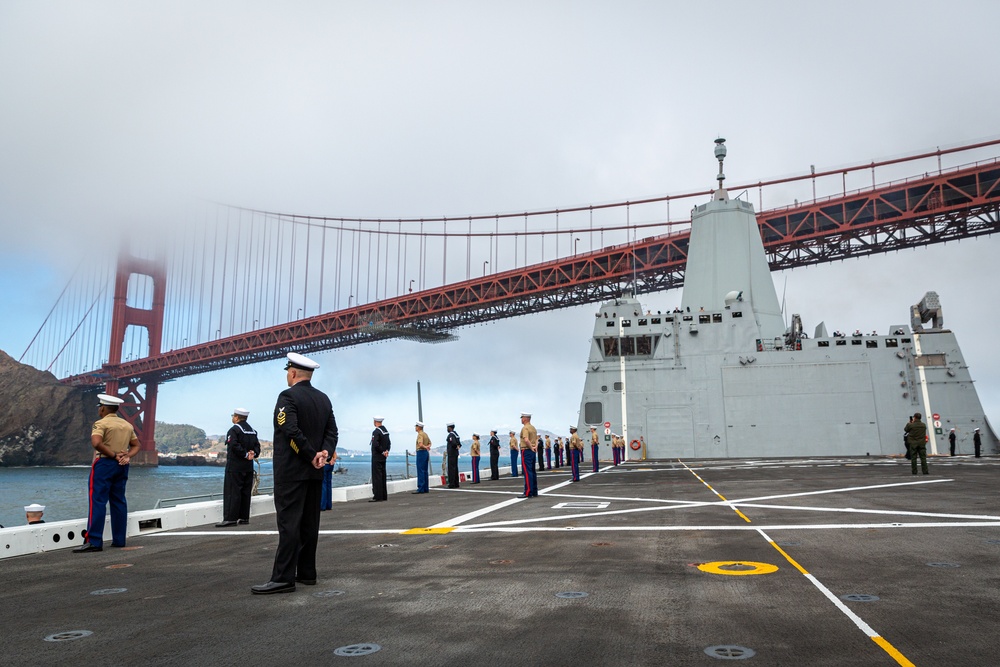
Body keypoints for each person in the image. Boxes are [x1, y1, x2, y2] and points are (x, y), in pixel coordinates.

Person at [252, 352, 338, 595]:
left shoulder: (287, 396)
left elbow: (289, 429)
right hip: (315, 472)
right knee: (310, 523)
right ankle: (307, 572)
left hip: (292, 471)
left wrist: (310, 454)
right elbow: (332, 432)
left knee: (289, 524)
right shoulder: (323, 399)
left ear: (292, 373)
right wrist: (324, 453)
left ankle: (283, 578)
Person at [74, 394, 140, 553]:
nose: (99, 409)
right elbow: (137, 445)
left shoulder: (100, 423)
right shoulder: (127, 425)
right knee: (118, 501)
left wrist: (113, 455)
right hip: (122, 465)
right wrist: (126, 456)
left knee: (97, 500)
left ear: (103, 408)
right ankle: (119, 540)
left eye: (99, 407)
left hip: (105, 463)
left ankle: (94, 541)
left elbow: (96, 443)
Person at [217, 408, 261, 527]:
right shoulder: (253, 431)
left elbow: (233, 445)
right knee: (245, 492)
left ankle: (230, 518)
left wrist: (245, 454)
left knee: (232, 491)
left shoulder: (234, 430)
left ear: (236, 417)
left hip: (235, 466)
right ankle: (244, 517)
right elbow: (257, 447)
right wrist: (253, 454)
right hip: (248, 467)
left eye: (233, 416)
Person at [370, 416, 391, 501]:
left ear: (375, 421)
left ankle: (377, 496)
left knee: (377, 476)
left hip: (377, 456)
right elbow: (389, 443)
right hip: (383, 456)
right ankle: (383, 495)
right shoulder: (386, 431)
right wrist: (386, 451)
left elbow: (375, 444)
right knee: (383, 475)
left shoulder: (376, 432)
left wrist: (382, 451)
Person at [519, 412, 538, 498]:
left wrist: (530, 447)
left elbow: (526, 440)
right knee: (532, 471)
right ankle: (534, 491)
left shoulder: (525, 428)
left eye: (522, 418)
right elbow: (537, 439)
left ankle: (528, 492)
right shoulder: (533, 428)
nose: (521, 419)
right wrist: (535, 447)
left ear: (525, 418)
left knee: (527, 471)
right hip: (532, 451)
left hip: (526, 451)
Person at [412, 421, 432, 493]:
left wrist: (425, 447)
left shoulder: (420, 435)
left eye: (416, 426)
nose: (415, 428)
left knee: (420, 470)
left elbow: (420, 444)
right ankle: (425, 488)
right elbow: (430, 443)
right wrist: (427, 447)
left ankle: (421, 488)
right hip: (425, 453)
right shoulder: (425, 434)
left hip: (421, 452)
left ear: (418, 427)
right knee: (425, 471)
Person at [446, 423, 461, 488]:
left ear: (450, 428)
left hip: (451, 454)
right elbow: (459, 444)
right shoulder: (456, 434)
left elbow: (453, 443)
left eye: (447, 428)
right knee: (455, 468)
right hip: (455, 453)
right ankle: (456, 483)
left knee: (451, 469)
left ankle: (451, 484)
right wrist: (457, 447)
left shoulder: (451, 435)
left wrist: (455, 446)